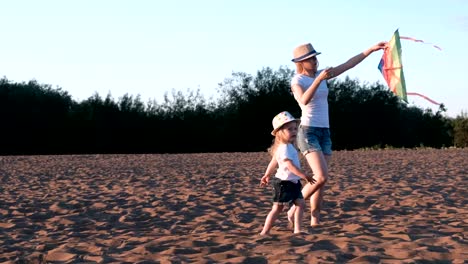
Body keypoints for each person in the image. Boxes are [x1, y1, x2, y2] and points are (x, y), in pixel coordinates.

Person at [287, 41, 387, 227]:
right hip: (308, 131)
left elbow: (349, 64)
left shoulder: (321, 75)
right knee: (321, 176)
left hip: (325, 131)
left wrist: (371, 49)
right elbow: (304, 100)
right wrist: (318, 80)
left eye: (315, 58)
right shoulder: (298, 81)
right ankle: (294, 206)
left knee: (320, 182)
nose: (315, 61)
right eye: (310, 59)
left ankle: (315, 219)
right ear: (301, 62)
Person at [259, 111, 315, 235]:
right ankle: (265, 231)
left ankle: (298, 229)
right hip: (283, 183)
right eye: (290, 129)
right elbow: (289, 165)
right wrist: (303, 175)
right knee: (277, 208)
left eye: (295, 128)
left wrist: (267, 174)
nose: (294, 131)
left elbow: (273, 161)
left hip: (292, 182)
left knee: (300, 204)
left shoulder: (286, 146)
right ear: (280, 133)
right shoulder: (284, 148)